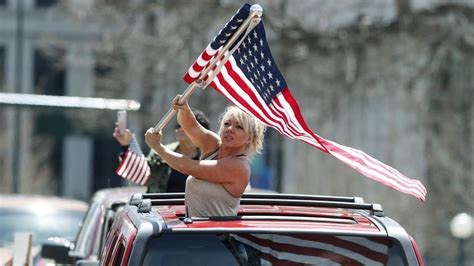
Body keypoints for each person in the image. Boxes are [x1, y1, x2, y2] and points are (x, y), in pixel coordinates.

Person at [145, 96, 266, 217]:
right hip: (193, 229)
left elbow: (188, 167)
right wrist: (184, 109)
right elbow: (191, 127)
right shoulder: (214, 145)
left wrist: (158, 148)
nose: (230, 129)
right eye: (227, 124)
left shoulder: (240, 166)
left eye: (238, 127)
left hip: (214, 234)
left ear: (249, 138)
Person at [113, 110, 210, 193]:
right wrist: (127, 144)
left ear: (200, 131)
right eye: (178, 126)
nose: (180, 129)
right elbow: (142, 172)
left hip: (197, 213)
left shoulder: (210, 157)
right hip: (161, 210)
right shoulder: (160, 152)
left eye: (185, 125)